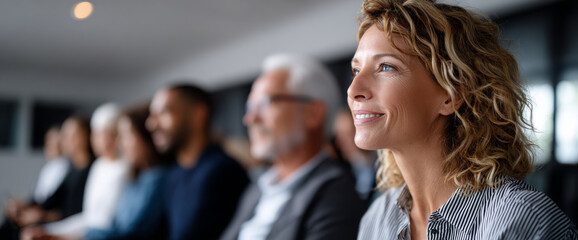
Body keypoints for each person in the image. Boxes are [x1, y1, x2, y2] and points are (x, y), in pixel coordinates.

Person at [350, 0, 578, 239]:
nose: (353, 89)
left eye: (385, 67)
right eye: (356, 70)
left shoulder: (522, 220)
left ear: (451, 95)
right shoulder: (377, 217)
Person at [220, 54, 364, 240]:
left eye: (265, 103)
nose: (250, 119)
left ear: (313, 114)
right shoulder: (257, 188)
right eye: (250, 107)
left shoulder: (337, 196)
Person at [146, 84, 249, 240]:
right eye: (152, 115)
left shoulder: (224, 171)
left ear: (198, 114)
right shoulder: (174, 173)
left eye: (164, 112)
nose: (151, 124)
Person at [25, 103, 129, 239]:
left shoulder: (125, 168)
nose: (95, 139)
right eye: (95, 134)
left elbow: (103, 225)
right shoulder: (99, 166)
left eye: (101, 134)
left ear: (116, 135)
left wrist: (57, 235)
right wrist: (49, 231)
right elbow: (89, 217)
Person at [85, 103, 168, 239]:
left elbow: (129, 234)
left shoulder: (158, 179)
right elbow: (114, 225)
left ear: (146, 138)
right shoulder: (136, 177)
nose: (121, 144)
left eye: (127, 136)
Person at [20, 115, 95, 239]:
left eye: (71, 135)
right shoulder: (70, 169)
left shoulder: (92, 170)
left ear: (85, 136)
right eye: (64, 135)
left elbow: (77, 212)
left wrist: (44, 217)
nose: (65, 141)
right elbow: (53, 201)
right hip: (63, 223)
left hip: (76, 226)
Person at [1, 126, 69, 239]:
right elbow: (36, 198)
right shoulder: (48, 169)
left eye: (56, 143)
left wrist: (39, 215)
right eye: (49, 142)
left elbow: (60, 207)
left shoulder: (68, 169)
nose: (52, 146)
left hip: (47, 219)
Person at [333, 109, 377, 203]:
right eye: (339, 135)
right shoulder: (344, 170)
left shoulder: (382, 166)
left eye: (346, 135)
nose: (340, 143)